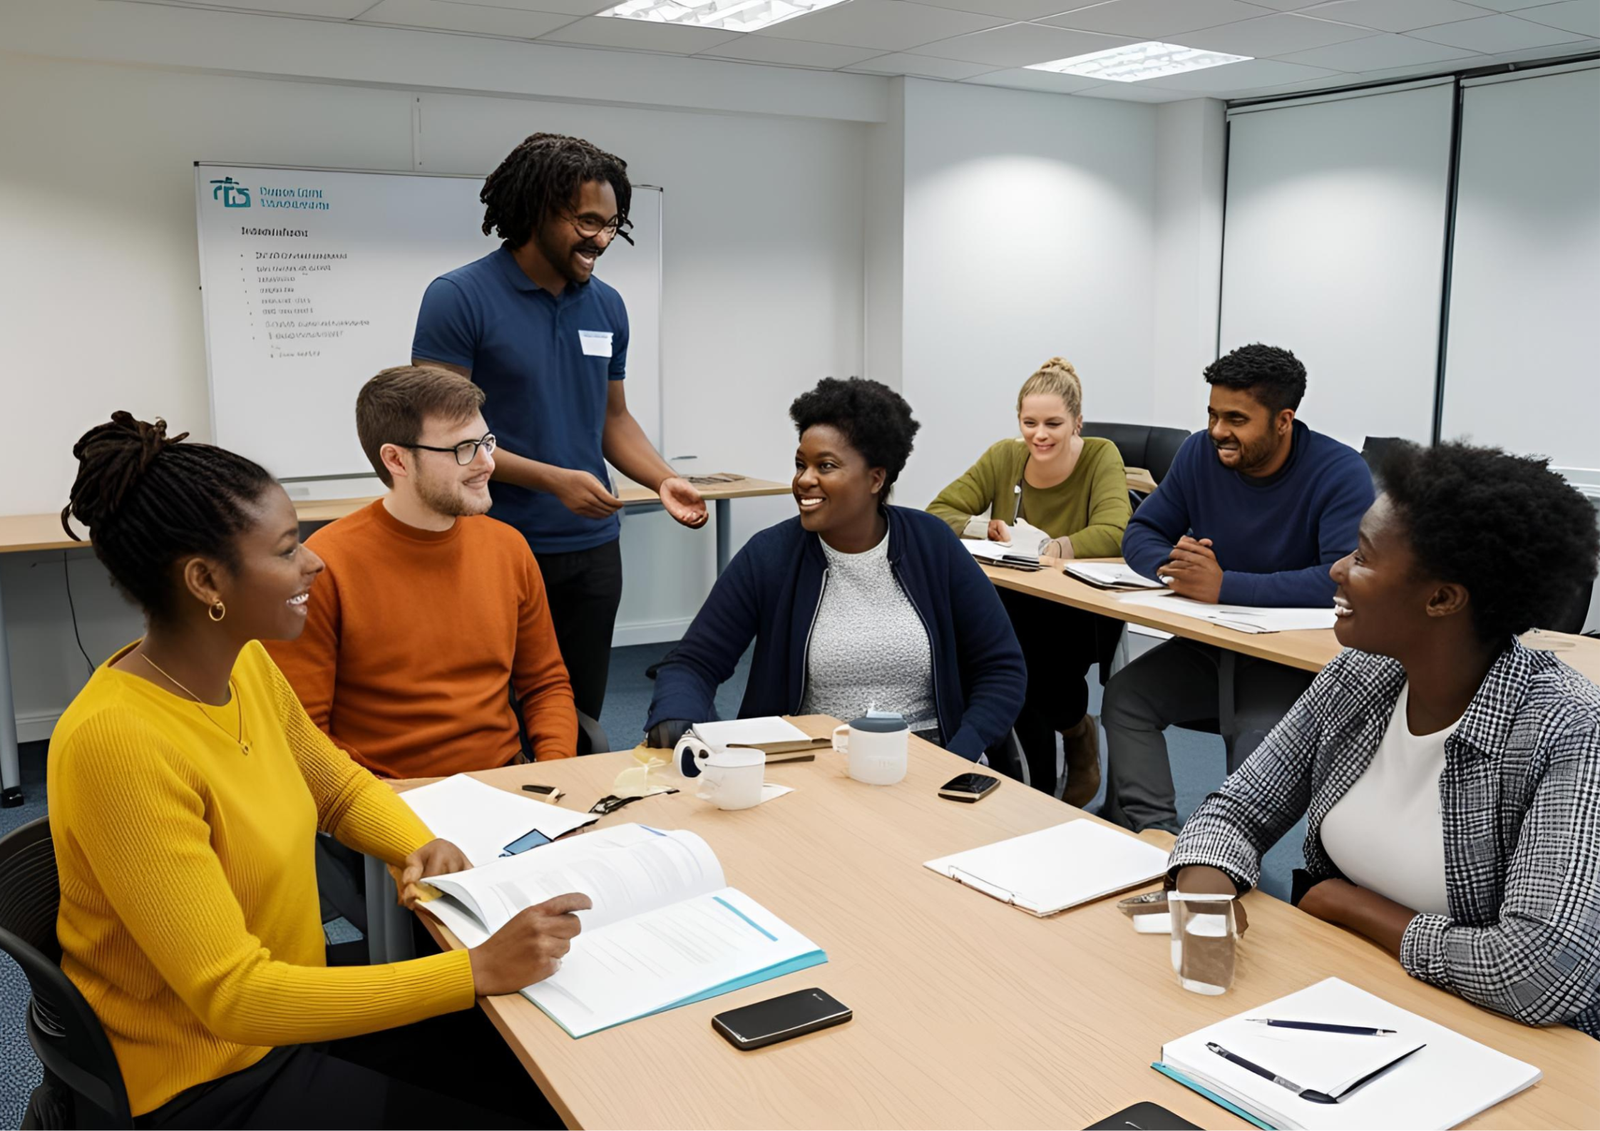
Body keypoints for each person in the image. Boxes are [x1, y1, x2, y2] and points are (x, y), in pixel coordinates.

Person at [50, 413, 589, 1126]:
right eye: (285, 549)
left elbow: (334, 785)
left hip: (290, 1019)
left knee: (540, 1065)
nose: (314, 563)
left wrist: (410, 841)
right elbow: (234, 995)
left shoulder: (241, 664)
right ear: (205, 579)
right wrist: (475, 967)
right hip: (206, 1079)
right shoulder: (116, 743)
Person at [1170, 441, 1600, 1038]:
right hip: (1346, 988)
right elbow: (1237, 811)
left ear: (1443, 598)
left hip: (1496, 1041)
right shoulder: (1361, 675)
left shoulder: (1565, 728)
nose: (1337, 569)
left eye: (1365, 558)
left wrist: (1353, 907)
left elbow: (1541, 971)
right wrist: (1205, 902)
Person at [412, 132, 706, 723]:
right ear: (539, 211)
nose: (601, 239)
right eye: (587, 221)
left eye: (612, 225)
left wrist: (662, 479)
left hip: (592, 549)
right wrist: (555, 481)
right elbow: (445, 436)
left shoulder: (608, 306)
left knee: (581, 715)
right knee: (496, 716)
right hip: (493, 539)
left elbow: (612, 420)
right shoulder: (457, 298)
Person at [643, 378, 1025, 760]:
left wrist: (962, 753)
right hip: (811, 767)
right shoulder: (771, 555)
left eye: (825, 465)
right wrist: (677, 716)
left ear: (876, 478)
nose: (804, 480)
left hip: (931, 764)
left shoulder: (933, 544)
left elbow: (1002, 668)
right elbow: (693, 663)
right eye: (800, 465)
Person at [1100, 343, 1374, 834]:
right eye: (1211, 414)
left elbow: (1341, 576)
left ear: (1283, 420)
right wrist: (1177, 568)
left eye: (1235, 419)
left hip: (1286, 660)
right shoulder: (1199, 455)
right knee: (1125, 698)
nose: (1217, 431)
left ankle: (1228, 852)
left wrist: (1225, 585)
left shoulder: (1340, 473)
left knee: (1256, 737)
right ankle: (1156, 837)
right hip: (1211, 643)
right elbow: (1141, 532)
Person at [267, 365, 577, 780]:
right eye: (463, 448)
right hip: (390, 800)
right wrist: (383, 811)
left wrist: (554, 774)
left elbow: (545, 684)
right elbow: (305, 733)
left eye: (487, 443)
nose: (487, 463)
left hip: (507, 784)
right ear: (397, 459)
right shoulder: (325, 564)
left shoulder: (508, 548)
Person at [927, 357, 1130, 802]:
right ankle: (1032, 790)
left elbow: (1118, 529)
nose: (1039, 435)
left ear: (1078, 422)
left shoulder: (1100, 455)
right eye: (1029, 422)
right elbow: (939, 512)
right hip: (1013, 598)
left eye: (1054, 423)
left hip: (1074, 609)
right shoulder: (1005, 455)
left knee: (1026, 668)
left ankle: (1074, 736)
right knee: (999, 661)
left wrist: (1056, 548)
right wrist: (988, 527)